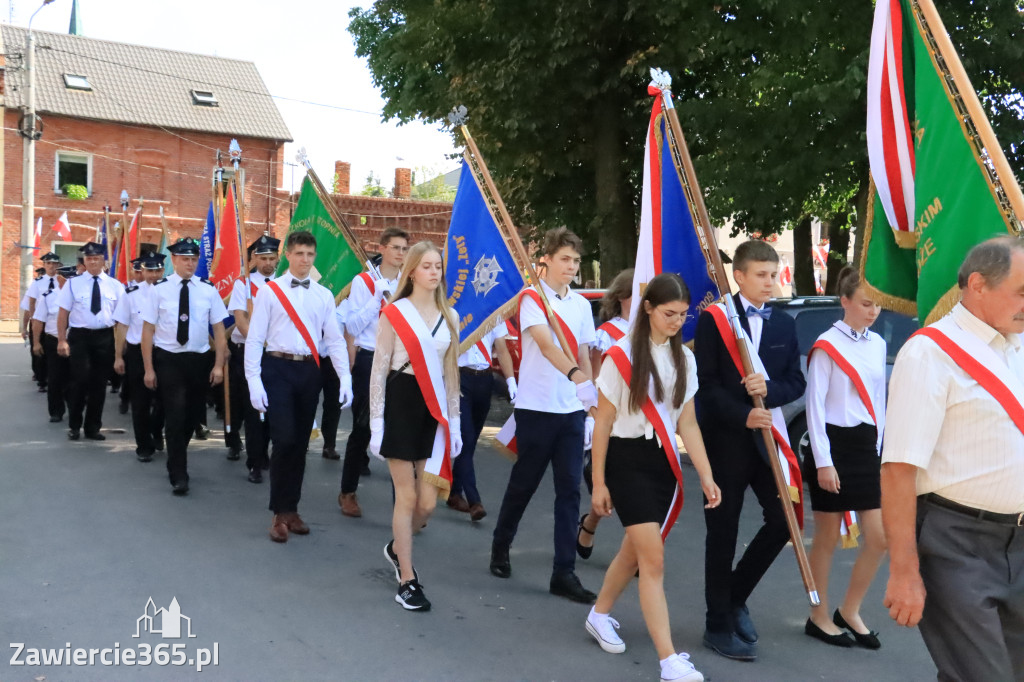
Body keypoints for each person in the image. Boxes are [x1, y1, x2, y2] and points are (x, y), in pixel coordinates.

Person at [882, 237, 1024, 681]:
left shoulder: (1017, 348)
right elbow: (898, 470)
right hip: (954, 543)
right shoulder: (930, 354)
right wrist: (904, 572)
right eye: (1022, 291)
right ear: (978, 284)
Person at [586, 273, 717, 682]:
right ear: (647, 308)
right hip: (625, 460)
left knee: (634, 551)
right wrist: (598, 481)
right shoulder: (620, 355)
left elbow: (688, 424)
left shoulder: (686, 359)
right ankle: (668, 660)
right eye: (668, 314)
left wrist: (708, 476)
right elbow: (603, 423)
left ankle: (599, 614)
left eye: (682, 315)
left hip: (663, 464)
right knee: (652, 560)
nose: (677, 321)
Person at [694, 239, 805, 661]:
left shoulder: (783, 324)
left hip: (766, 440)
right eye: (760, 275)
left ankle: (733, 596)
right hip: (725, 440)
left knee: (783, 521)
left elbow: (796, 381)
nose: (769, 283)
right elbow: (707, 387)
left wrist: (770, 392)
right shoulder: (716, 320)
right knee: (722, 531)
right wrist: (743, 414)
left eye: (773, 275)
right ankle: (716, 624)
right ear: (738, 276)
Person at [490, 227, 600, 604]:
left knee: (569, 491)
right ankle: (501, 546)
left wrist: (589, 400)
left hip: (570, 411)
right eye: (565, 259)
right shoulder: (532, 299)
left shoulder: (582, 305)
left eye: (576, 260)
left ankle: (563, 572)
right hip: (537, 408)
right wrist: (575, 376)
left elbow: (585, 353)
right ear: (547, 261)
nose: (571, 267)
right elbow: (545, 343)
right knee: (524, 484)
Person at [369, 241, 461, 611]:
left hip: (434, 409)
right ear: (411, 272)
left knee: (428, 503)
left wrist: (455, 422)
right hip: (401, 402)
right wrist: (376, 420)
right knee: (406, 498)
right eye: (426, 266)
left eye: (437, 265)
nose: (434, 272)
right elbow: (379, 367)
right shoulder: (395, 313)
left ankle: (396, 545)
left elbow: (451, 372)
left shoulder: (449, 316)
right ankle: (407, 578)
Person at [244, 230, 353, 543]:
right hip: (277, 368)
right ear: (287, 256)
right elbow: (254, 338)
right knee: (284, 439)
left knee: (300, 443)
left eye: (310, 254)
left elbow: (333, 338)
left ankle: (291, 509)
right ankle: (278, 514)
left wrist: (344, 376)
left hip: (309, 371)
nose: (305, 260)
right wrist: (254, 380)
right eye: (299, 254)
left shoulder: (322, 295)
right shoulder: (270, 292)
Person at [802, 266, 888, 648]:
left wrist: (882, 450)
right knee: (825, 538)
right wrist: (823, 460)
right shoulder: (826, 345)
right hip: (832, 445)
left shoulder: (878, 344)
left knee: (881, 538)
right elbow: (814, 407)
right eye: (867, 304)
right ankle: (818, 616)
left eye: (878, 306)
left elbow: (879, 404)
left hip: (865, 446)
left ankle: (849, 610)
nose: (873, 312)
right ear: (845, 301)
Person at [141, 238, 227, 495]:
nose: (190, 263)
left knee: (192, 415)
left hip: (199, 360)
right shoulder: (159, 289)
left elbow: (219, 330)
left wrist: (219, 365)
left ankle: (178, 452)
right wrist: (148, 368)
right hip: (169, 359)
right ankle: (178, 472)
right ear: (174, 260)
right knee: (176, 415)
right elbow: (147, 331)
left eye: (193, 259)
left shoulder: (208, 289)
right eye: (184, 259)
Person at [339, 226, 409, 518]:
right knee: (363, 427)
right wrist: (375, 300)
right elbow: (353, 326)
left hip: (400, 362)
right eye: (396, 248)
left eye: (405, 249)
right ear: (382, 248)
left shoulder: (410, 283)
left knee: (399, 432)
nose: (401, 254)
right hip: (370, 357)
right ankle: (348, 491)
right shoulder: (365, 282)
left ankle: (403, 505)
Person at [579, 267, 635, 559]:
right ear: (624, 296)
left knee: (636, 489)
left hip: (640, 419)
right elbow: (597, 376)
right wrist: (595, 417)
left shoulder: (650, 330)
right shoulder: (607, 333)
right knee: (609, 489)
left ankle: (637, 547)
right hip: (612, 417)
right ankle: (589, 523)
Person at [447, 320, 516, 521]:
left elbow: (501, 349)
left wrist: (511, 381)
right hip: (460, 377)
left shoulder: (491, 309)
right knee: (466, 437)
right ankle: (474, 500)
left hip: (484, 378)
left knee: (472, 438)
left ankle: (454, 492)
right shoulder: (457, 307)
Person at [226, 235, 279, 482]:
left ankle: (264, 452)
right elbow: (240, 319)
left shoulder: (284, 283)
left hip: (277, 355)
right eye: (263, 258)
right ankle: (254, 461)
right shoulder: (244, 284)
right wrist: (259, 345)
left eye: (271, 258)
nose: (268, 263)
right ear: (255, 258)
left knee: (271, 409)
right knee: (252, 409)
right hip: (250, 352)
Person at [56, 242, 123, 441]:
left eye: (96, 258)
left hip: (104, 337)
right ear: (84, 261)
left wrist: (120, 348)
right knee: (80, 381)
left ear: (103, 260)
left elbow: (121, 320)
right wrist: (61, 339)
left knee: (99, 384)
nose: (93, 262)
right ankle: (75, 425)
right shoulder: (72, 284)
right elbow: (63, 314)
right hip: (80, 337)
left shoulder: (116, 285)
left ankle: (93, 427)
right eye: (89, 259)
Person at [112, 252, 166, 463]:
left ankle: (156, 429)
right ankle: (144, 445)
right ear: (141, 271)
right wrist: (118, 356)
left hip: (163, 351)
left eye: (157, 270)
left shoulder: (170, 292)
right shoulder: (131, 294)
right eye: (149, 270)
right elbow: (122, 326)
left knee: (163, 400)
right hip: (136, 352)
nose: (153, 275)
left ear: (163, 270)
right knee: (140, 402)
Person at [31, 265, 75, 422]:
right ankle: (56, 411)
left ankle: (74, 407)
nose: (70, 282)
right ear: (59, 279)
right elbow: (38, 320)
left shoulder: (80, 295)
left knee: (75, 377)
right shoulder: (48, 296)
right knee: (55, 377)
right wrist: (36, 342)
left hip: (76, 341)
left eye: (73, 279)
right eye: (67, 279)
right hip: (54, 340)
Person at [25, 253, 62, 392]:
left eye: (54, 263)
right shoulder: (38, 283)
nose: (52, 266)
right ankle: (42, 379)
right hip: (41, 320)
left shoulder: (62, 281)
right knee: (40, 350)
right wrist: (34, 318)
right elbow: (32, 302)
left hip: (56, 319)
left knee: (54, 351)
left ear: (58, 265)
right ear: (45, 265)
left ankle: (53, 376)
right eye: (49, 263)